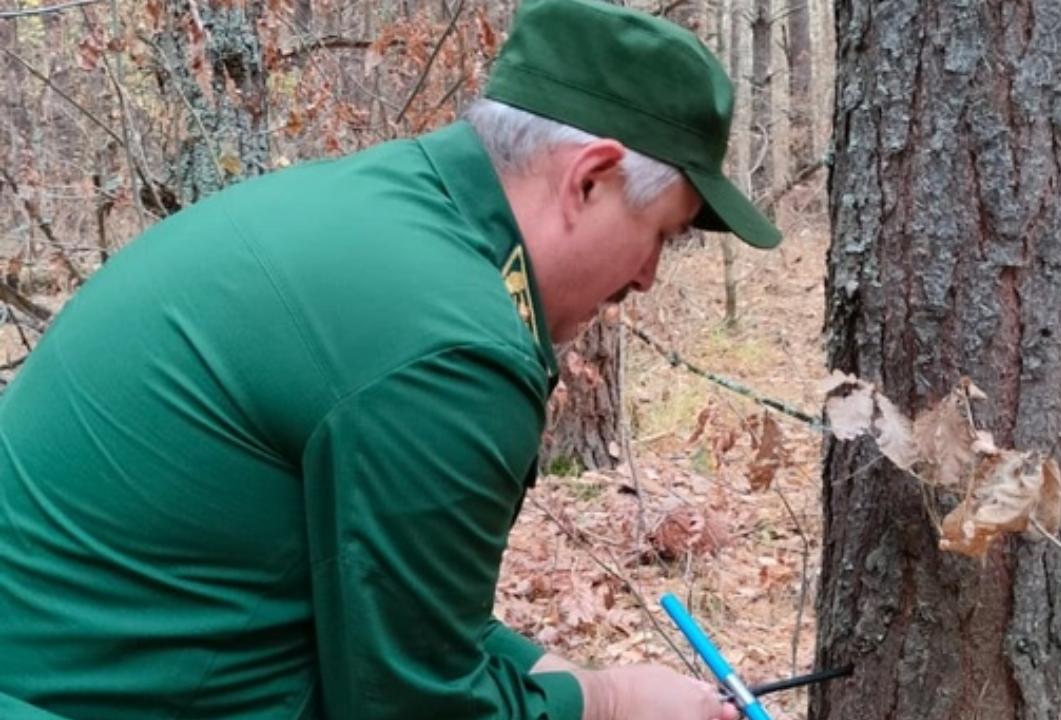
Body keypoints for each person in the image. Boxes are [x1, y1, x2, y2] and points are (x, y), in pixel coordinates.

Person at [0, 0, 781, 718]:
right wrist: (609, 702)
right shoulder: (451, 341)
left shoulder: (394, 211)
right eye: (664, 235)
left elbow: (359, 583)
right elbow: (409, 709)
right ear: (590, 179)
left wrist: (542, 669)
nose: (647, 276)